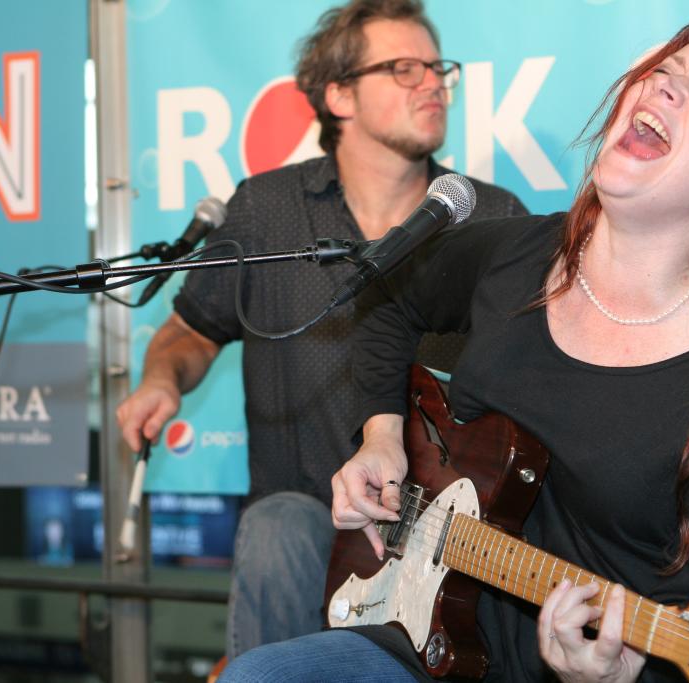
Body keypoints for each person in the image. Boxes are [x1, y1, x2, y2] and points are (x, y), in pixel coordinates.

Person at [219, 17, 689, 683]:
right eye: (665, 74)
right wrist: (381, 436)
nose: (667, 91)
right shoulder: (521, 255)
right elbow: (388, 298)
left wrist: (617, 674)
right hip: (426, 643)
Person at [114, 0, 528, 662]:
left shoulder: (492, 217)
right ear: (338, 95)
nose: (433, 83)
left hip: (441, 541)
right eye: (403, 68)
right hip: (307, 527)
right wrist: (162, 377)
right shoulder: (264, 211)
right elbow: (190, 330)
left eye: (438, 68)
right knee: (277, 525)